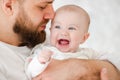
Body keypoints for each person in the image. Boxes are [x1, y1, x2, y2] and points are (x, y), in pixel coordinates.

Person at [0, 0, 119, 80]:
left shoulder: (46, 37)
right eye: (42, 6)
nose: (52, 15)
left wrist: (80, 68)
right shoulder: (43, 49)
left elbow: (116, 66)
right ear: (9, 6)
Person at [27, 5, 106, 80]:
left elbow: (109, 61)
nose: (63, 32)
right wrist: (40, 62)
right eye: (57, 27)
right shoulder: (44, 51)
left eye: (71, 28)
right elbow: (30, 72)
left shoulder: (88, 53)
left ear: (84, 38)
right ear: (50, 31)